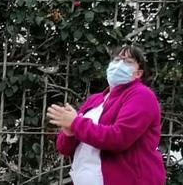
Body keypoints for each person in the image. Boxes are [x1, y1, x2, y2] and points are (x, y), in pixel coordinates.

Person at [49, 43, 166, 185]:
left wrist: (75, 123)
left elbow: (119, 138)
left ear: (138, 73)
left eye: (128, 62)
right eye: (116, 60)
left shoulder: (142, 95)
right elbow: (64, 149)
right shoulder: (95, 99)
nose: (119, 64)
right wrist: (69, 132)